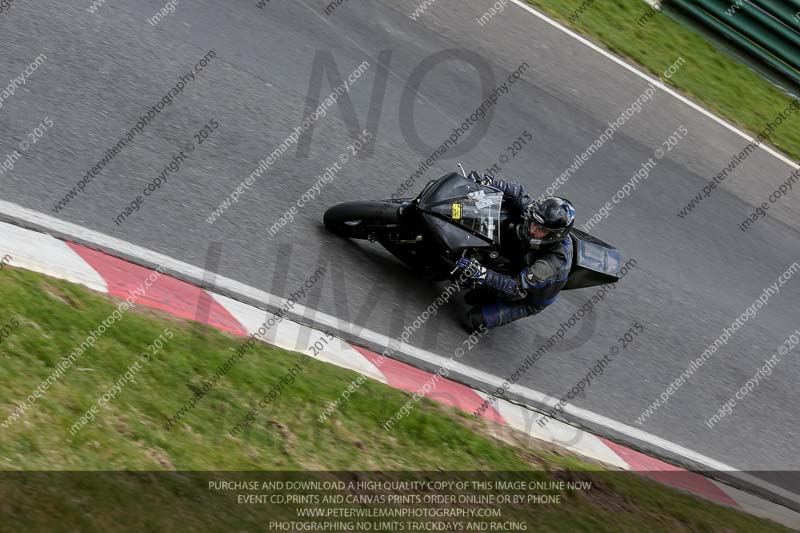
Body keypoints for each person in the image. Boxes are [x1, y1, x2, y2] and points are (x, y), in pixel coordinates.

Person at [453, 172, 575, 330]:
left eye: (541, 230)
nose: (532, 229)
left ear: (554, 235)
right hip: (520, 260)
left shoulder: (556, 260)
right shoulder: (537, 217)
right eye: (533, 222)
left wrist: (482, 273)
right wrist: (488, 181)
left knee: (474, 318)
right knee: (509, 220)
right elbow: (518, 193)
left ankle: (486, 294)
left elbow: (517, 288)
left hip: (527, 296)